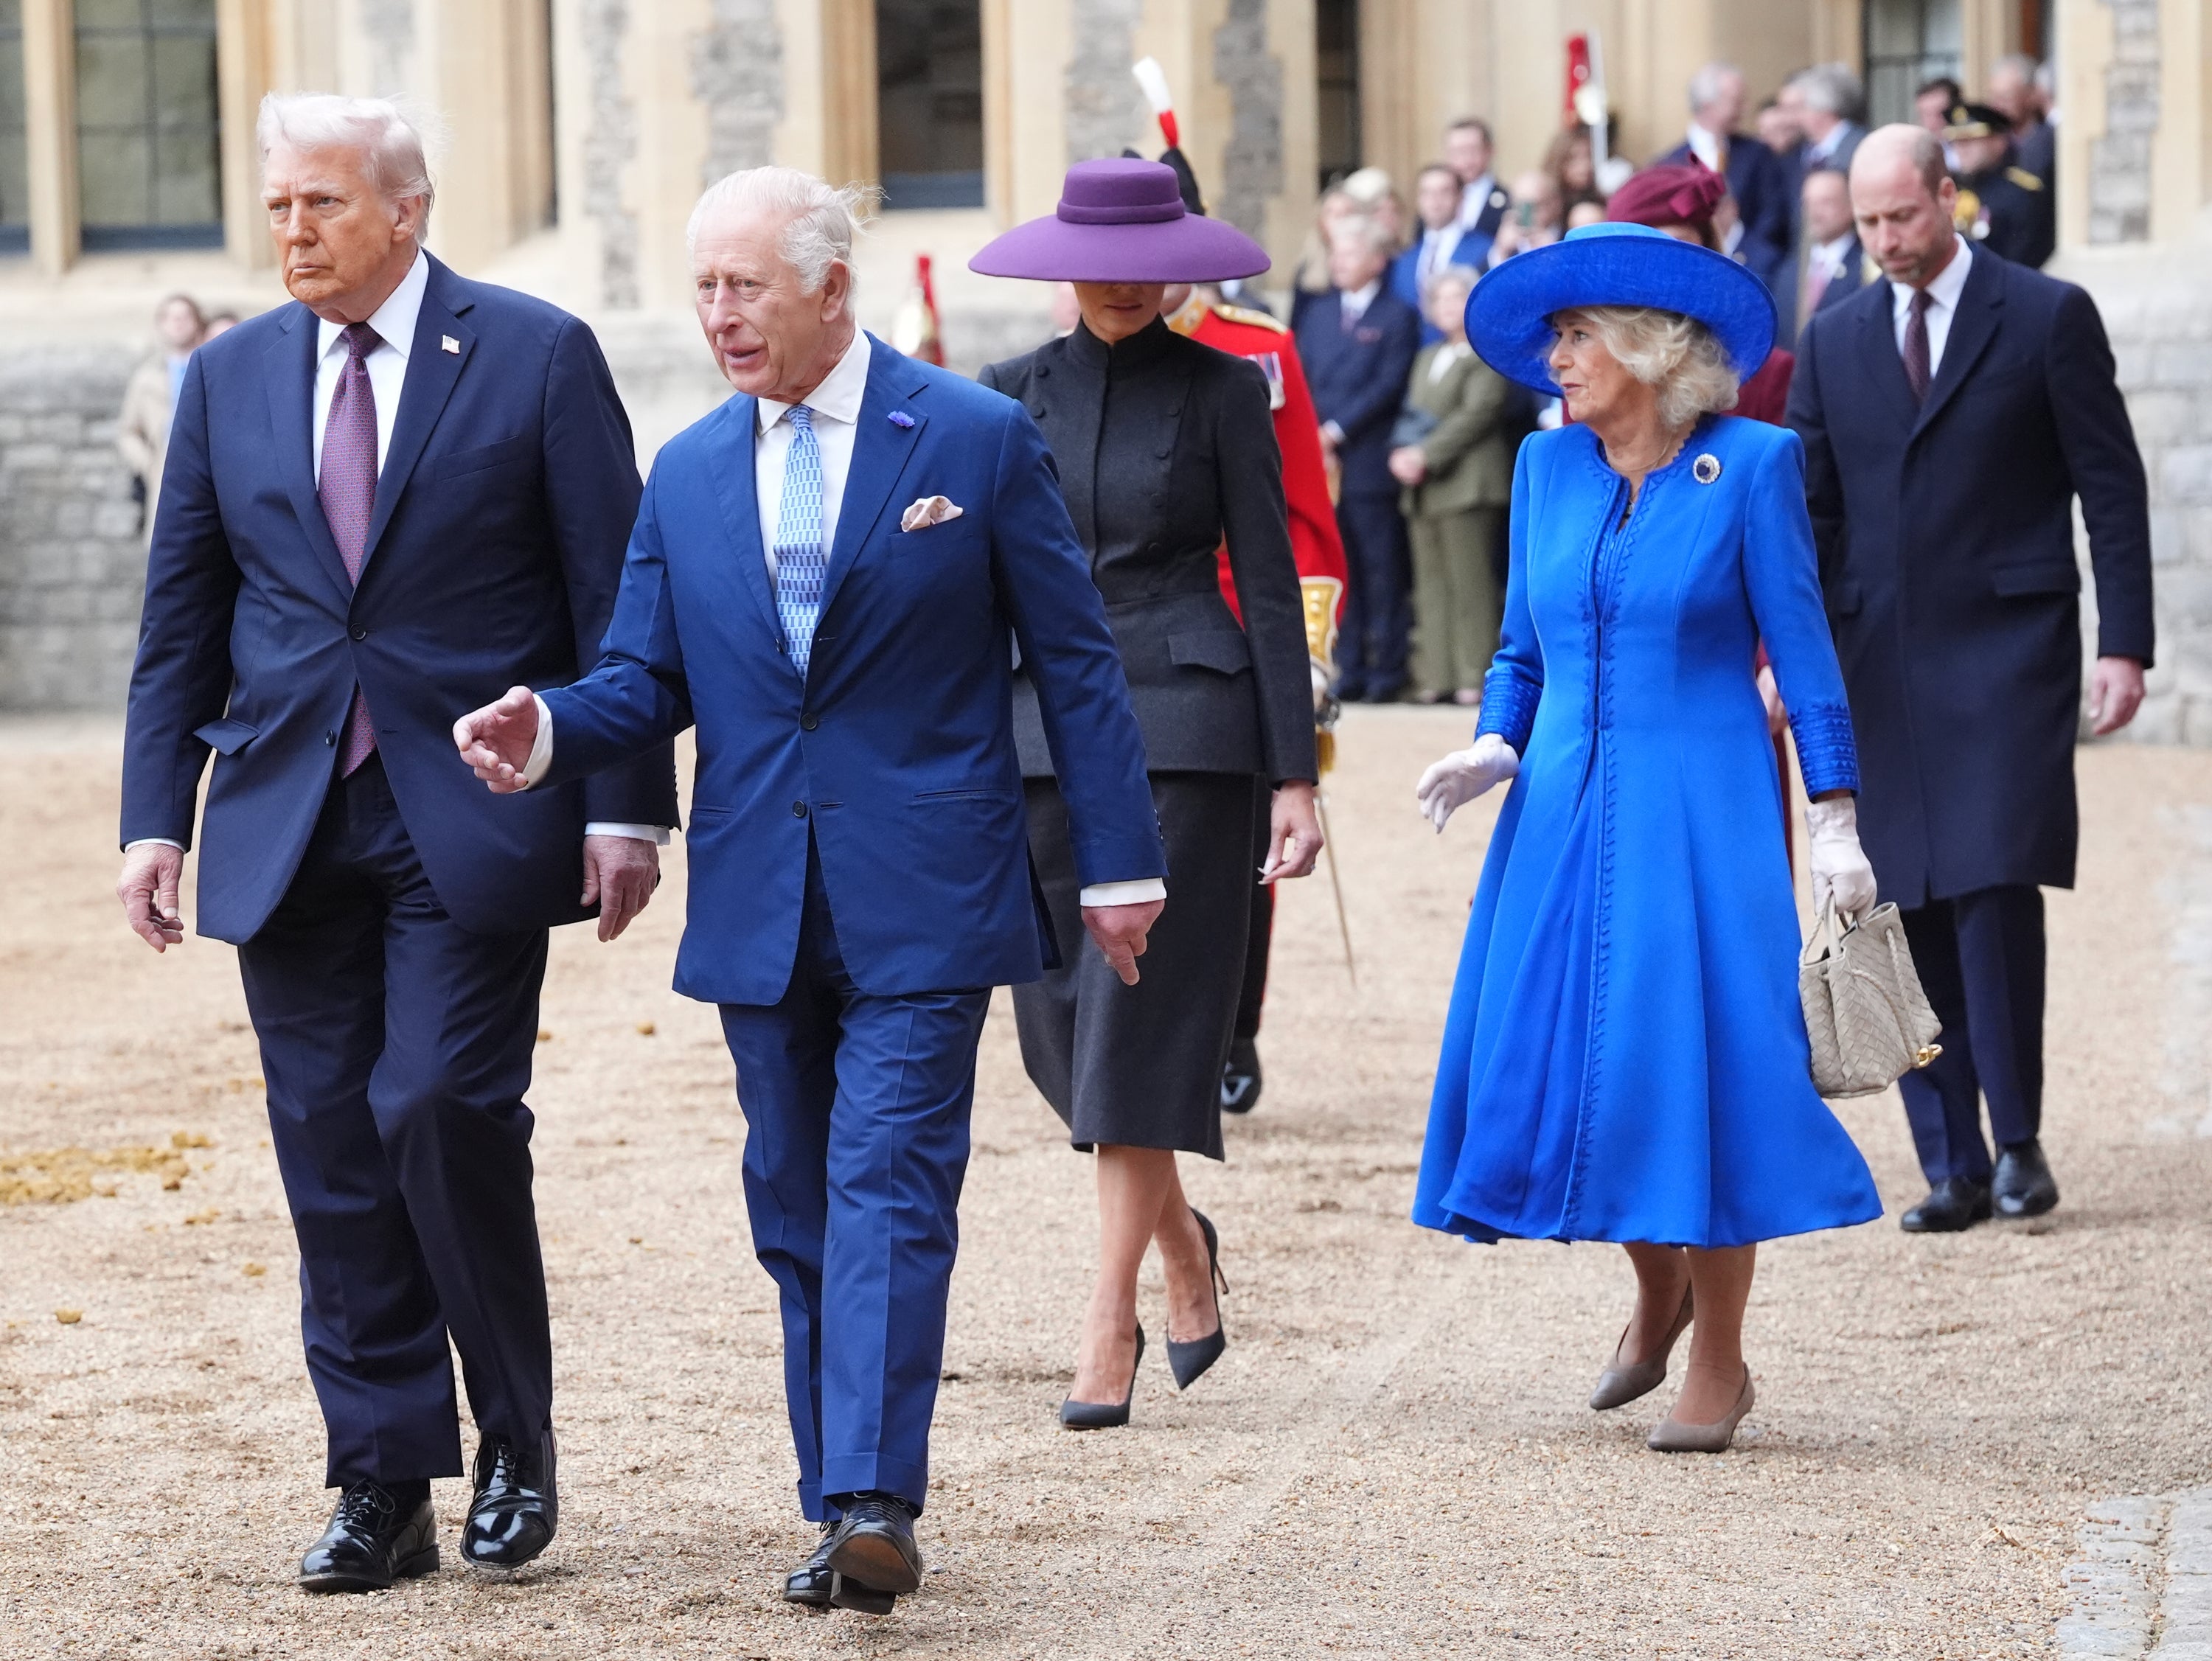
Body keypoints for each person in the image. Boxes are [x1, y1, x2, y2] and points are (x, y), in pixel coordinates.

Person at [456, 164, 1165, 1615]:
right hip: (762, 893)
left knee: (886, 1183)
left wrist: (1123, 857)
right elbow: (644, 677)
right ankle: (832, 1484)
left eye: (744, 286)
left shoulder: (971, 437)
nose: (718, 314)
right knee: (793, 1203)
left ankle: (871, 1501)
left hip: (928, 889)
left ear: (831, 289)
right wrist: (551, 729)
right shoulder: (691, 469)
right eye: (703, 286)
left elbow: (1076, 661)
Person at [116, 93, 675, 1591]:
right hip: (285, 812)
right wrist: (152, 820)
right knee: (330, 1147)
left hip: (475, 806)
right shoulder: (225, 377)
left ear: (406, 210)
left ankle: (517, 1435)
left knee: (437, 1105)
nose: (290, 229)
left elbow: (616, 597)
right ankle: (383, 1476)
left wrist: (623, 801)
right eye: (279, 205)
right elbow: (181, 616)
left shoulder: (537, 353)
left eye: (320, 204)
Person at [1411, 220, 1885, 1455]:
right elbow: (1522, 647)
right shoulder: (1545, 470)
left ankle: (1719, 1354)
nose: (1557, 358)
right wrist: (1495, 742)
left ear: (1652, 349)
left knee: (1706, 1065)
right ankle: (1655, 1282)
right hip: (1558, 799)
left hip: (1705, 802)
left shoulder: (1758, 465)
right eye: (1557, 337)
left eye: (1578, 336)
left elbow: (1806, 648)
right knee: (1572, 1053)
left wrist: (1835, 813)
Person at [970, 159, 1321, 1428]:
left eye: (1143, 258)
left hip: (1188, 723)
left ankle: (1103, 1321)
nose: (1120, 280)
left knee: (1138, 1030)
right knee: (1061, 1045)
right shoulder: (1001, 395)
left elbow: (1272, 584)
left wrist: (1297, 772)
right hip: (1032, 730)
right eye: (1097, 257)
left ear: (1178, 263)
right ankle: (1184, 1244)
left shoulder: (1233, 388)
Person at [1787, 126, 2154, 1233]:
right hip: (1877, 656)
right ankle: (1945, 1160)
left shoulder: (2047, 315)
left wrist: (2124, 643)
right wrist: (1784, 659)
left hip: (2008, 648)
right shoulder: (1834, 338)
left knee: (1994, 889)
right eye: (1866, 223)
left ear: (1952, 199)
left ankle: (2020, 1143)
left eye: (1903, 216)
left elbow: (2112, 488)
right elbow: (1810, 515)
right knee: (1897, 903)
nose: (1886, 240)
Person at [1163, 280, 1348, 1116]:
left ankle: (1233, 1029)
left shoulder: (1257, 348)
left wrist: (1306, 646)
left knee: (1240, 856)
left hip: (1240, 624)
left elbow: (1301, 507)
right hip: (1124, 631)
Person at [1297, 213, 1422, 703]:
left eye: (1349, 254)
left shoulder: (1397, 315)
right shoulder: (1319, 313)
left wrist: (1335, 429)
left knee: (1380, 566)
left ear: (1375, 260)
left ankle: (1387, 667)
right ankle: (1346, 664)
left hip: (1368, 458)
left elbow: (1389, 384)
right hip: (1321, 462)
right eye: (1336, 253)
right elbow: (1301, 374)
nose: (1338, 262)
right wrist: (1313, 433)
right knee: (1337, 564)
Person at [1390, 265, 1512, 704]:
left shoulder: (1487, 354)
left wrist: (1425, 454)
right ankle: (1436, 675)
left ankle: (1472, 675)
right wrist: (1403, 452)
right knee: (1432, 582)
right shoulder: (1427, 356)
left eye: (1456, 298)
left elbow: (1478, 414)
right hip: (1424, 486)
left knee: (1470, 583)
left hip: (1469, 481)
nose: (1447, 308)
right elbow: (1412, 413)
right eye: (1440, 299)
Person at [1606, 164, 1795, 422]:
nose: (1664, 262)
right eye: (1649, 248)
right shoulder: (1591, 368)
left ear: (1708, 252)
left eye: (1679, 244)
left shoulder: (1769, 374)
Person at [1652, 63, 1792, 315]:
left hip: (1754, 279)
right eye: (1736, 102)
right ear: (1708, 106)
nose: (1744, 110)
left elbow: (1772, 216)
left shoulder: (1758, 155)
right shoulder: (1667, 165)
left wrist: (1747, 259)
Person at [116, 292, 205, 541]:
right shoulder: (146, 378)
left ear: (197, 322)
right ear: (160, 325)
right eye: (170, 317)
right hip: (165, 475)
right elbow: (128, 431)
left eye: (185, 316)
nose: (177, 322)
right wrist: (147, 463)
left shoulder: (213, 369)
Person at [1944, 102, 2054, 268]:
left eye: (1971, 140)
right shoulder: (1952, 189)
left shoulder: (2021, 193)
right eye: (1957, 142)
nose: (1962, 149)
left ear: (1998, 142)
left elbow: (2024, 258)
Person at [1392, 162, 1488, 336]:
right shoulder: (1404, 260)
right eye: (1427, 193)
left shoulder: (1484, 249)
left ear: (1461, 197)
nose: (1435, 200)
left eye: (1444, 191)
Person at [1798, 165, 1870, 328]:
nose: (1815, 213)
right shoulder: (1788, 271)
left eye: (1826, 202)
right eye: (1809, 203)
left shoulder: (1867, 267)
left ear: (1852, 206)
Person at [1445, 116, 1511, 262]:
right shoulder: (1436, 201)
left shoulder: (1507, 201)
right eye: (1457, 152)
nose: (1465, 159)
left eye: (1472, 150)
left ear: (1489, 151)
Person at [1544, 127, 1607, 220]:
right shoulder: (1545, 203)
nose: (1586, 165)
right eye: (1574, 158)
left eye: (1589, 156)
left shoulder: (1601, 200)